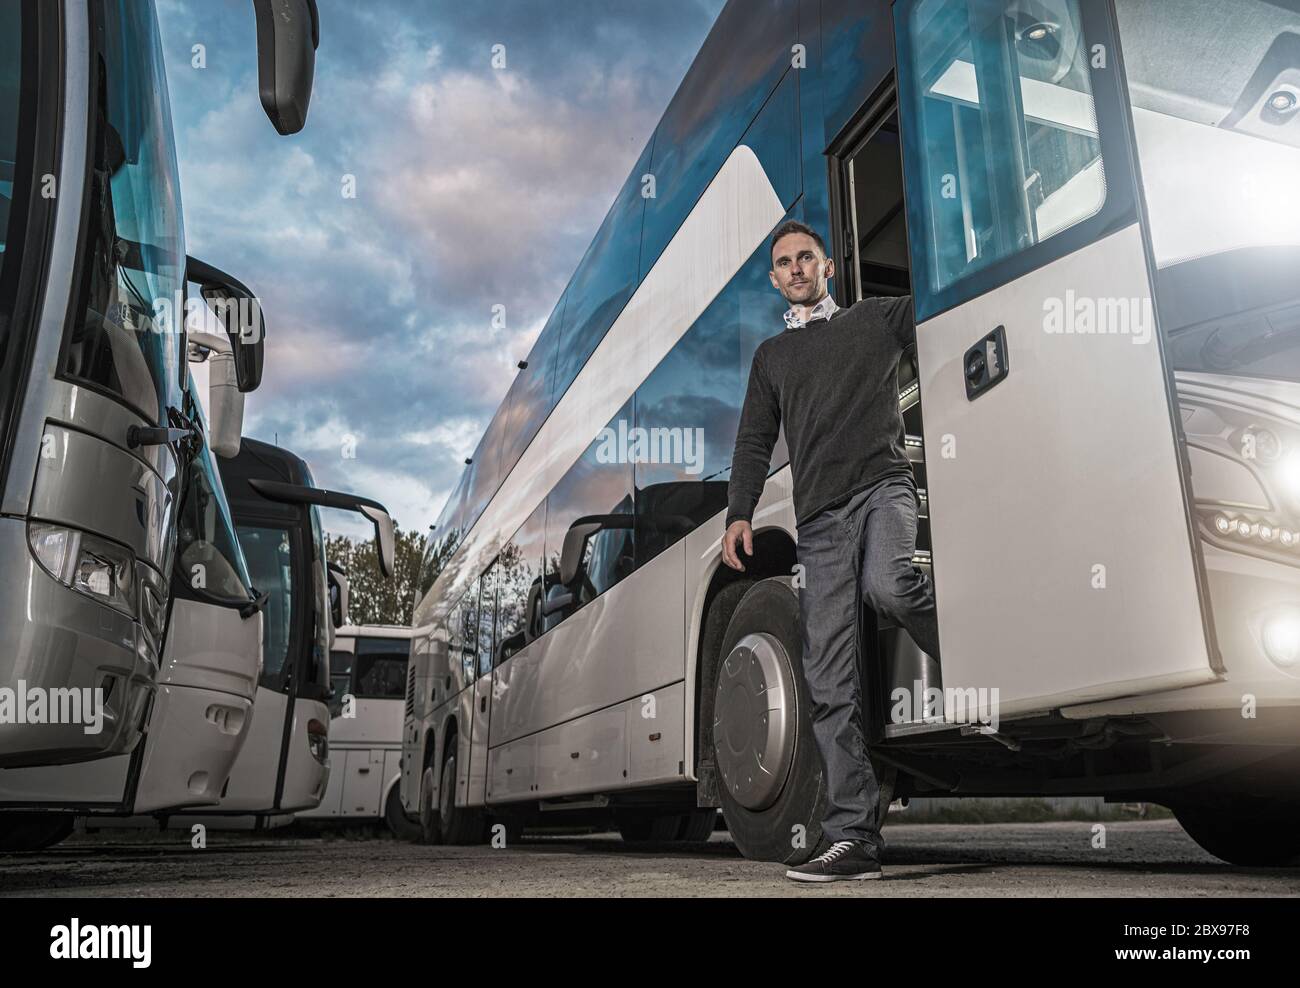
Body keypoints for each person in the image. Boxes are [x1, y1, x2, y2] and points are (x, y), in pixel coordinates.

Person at [722, 219, 940, 883]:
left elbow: (944, 301)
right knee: (829, 679)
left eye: (805, 258)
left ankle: (981, 652)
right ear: (773, 278)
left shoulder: (876, 320)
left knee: (893, 585)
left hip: (883, 491)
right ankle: (853, 838)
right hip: (819, 521)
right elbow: (754, 441)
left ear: (828, 267)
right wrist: (739, 512)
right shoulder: (772, 359)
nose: (795, 268)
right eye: (783, 262)